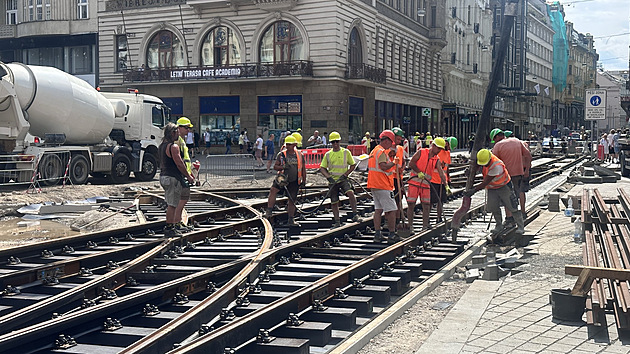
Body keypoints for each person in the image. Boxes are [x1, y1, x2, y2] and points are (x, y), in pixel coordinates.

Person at [464, 149, 525, 240]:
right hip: (492, 188)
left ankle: (520, 227)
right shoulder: (483, 159)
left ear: (489, 159)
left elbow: (485, 182)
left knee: (512, 206)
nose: (484, 165)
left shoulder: (496, 166)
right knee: (493, 207)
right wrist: (471, 172)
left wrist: (473, 190)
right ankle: (499, 225)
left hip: (504, 186)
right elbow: (478, 167)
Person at [159, 122, 195, 237]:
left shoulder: (161, 146)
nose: (178, 135)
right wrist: (188, 176)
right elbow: (179, 163)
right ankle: (170, 227)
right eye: (177, 133)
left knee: (172, 202)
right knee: (172, 204)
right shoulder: (173, 147)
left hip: (164, 176)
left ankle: (172, 226)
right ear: (173, 133)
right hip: (172, 178)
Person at [490, 128, 532, 224]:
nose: (494, 141)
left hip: (505, 176)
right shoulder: (517, 141)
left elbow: (493, 162)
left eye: (494, 139)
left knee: (506, 197)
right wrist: (526, 171)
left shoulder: (498, 146)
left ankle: (509, 218)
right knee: (516, 195)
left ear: (497, 137)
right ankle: (519, 214)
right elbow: (528, 156)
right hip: (518, 174)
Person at [319, 132, 361, 227]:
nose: (335, 144)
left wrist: (346, 174)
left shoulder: (346, 152)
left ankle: (355, 214)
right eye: (333, 142)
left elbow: (353, 165)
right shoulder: (328, 155)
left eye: (336, 142)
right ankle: (337, 221)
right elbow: (322, 168)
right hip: (333, 181)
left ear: (339, 141)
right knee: (334, 201)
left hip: (343, 179)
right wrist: (329, 178)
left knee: (350, 193)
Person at [407, 138, 448, 231]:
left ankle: (425, 226)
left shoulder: (436, 159)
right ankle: (410, 226)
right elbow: (411, 163)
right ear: (433, 146)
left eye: (441, 149)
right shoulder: (421, 152)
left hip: (425, 185)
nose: (439, 151)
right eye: (438, 148)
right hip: (414, 182)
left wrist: (446, 185)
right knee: (411, 204)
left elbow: (441, 173)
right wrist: (418, 172)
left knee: (426, 205)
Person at [265, 135, 306, 226]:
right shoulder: (282, 155)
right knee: (273, 190)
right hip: (282, 178)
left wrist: (304, 181)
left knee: (292, 200)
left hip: (294, 181)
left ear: (294, 144)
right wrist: (283, 167)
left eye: (290, 144)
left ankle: (291, 220)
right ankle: (269, 211)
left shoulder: (300, 155)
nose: (287, 146)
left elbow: (303, 169)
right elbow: (275, 166)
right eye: (286, 144)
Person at [367, 130, 399, 243]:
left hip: (374, 184)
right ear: (387, 141)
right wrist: (394, 162)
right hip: (383, 185)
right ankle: (391, 234)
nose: (391, 145)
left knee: (378, 209)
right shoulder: (381, 152)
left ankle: (377, 234)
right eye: (391, 143)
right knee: (391, 210)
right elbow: (383, 166)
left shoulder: (374, 151)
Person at [391, 128, 407, 222]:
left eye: (400, 139)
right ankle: (389, 220)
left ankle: (397, 219)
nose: (400, 140)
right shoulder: (387, 149)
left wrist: (402, 168)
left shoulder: (400, 148)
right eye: (398, 138)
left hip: (398, 178)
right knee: (391, 200)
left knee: (398, 199)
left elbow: (404, 161)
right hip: (390, 178)